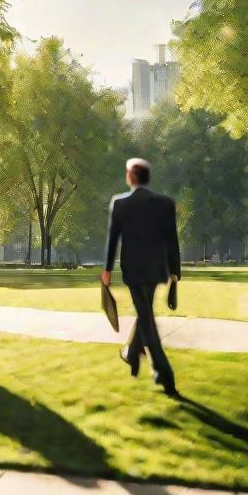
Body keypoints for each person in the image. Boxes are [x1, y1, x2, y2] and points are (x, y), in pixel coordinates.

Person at [102, 158, 181, 397]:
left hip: (133, 270)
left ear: (132, 177)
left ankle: (164, 374)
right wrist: (175, 272)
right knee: (144, 313)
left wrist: (106, 271)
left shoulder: (120, 204)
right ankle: (132, 354)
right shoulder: (165, 204)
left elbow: (113, 239)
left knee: (146, 319)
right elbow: (172, 240)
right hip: (157, 270)